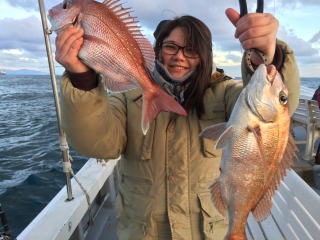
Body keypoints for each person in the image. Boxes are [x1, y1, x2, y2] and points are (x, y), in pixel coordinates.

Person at [55, 7, 300, 240]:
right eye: (171, 46)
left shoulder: (228, 95)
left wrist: (267, 55)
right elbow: (97, 144)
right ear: (157, 49)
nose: (180, 56)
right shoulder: (129, 98)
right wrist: (82, 78)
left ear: (205, 56)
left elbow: (278, 110)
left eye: (191, 50)